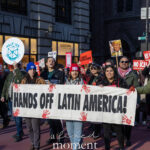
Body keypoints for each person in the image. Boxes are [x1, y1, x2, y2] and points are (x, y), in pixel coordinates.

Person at [100, 65, 127, 150]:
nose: (109, 73)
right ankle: (107, 147)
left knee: (119, 130)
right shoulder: (101, 82)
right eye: (107, 71)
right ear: (105, 72)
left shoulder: (121, 81)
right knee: (106, 131)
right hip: (106, 111)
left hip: (117, 111)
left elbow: (127, 92)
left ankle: (121, 147)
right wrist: (98, 88)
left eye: (111, 71)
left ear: (114, 72)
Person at [21, 62, 45, 150]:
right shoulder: (24, 80)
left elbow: (45, 91)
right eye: (30, 69)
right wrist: (14, 87)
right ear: (27, 70)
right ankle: (32, 142)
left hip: (36, 108)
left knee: (36, 128)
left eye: (34, 69)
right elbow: (19, 92)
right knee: (29, 128)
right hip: (27, 108)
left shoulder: (40, 79)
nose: (32, 71)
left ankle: (36, 145)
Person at [40, 57, 64, 144]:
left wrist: (53, 85)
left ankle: (61, 138)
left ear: (54, 63)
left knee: (57, 120)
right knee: (50, 121)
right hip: (46, 100)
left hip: (56, 99)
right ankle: (53, 137)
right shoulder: (43, 74)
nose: (51, 62)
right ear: (46, 63)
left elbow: (62, 86)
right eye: (49, 61)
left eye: (53, 61)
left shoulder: (60, 73)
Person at [118, 56, 139, 147]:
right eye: (122, 61)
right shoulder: (115, 73)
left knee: (128, 122)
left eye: (126, 61)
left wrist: (137, 102)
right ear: (119, 63)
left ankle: (128, 138)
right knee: (119, 122)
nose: (124, 63)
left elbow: (137, 89)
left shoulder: (133, 75)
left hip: (129, 102)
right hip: (117, 101)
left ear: (128, 63)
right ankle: (121, 138)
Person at [1, 63, 24, 142]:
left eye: (16, 65)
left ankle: (19, 133)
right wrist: (3, 95)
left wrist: (16, 69)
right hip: (10, 98)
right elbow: (6, 85)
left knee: (17, 117)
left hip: (17, 99)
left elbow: (21, 79)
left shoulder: (21, 73)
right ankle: (20, 131)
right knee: (14, 117)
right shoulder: (10, 74)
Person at [65, 64, 84, 150]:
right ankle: (76, 147)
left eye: (76, 71)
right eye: (73, 71)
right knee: (70, 132)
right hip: (68, 111)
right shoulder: (66, 82)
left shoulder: (82, 82)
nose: (74, 72)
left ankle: (75, 148)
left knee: (78, 131)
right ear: (70, 72)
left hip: (78, 111)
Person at [87, 63, 103, 139]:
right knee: (93, 116)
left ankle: (97, 132)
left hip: (99, 99)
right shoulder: (90, 77)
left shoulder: (101, 77)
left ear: (98, 69)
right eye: (92, 68)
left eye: (94, 68)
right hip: (91, 98)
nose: (93, 70)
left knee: (98, 117)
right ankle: (94, 130)